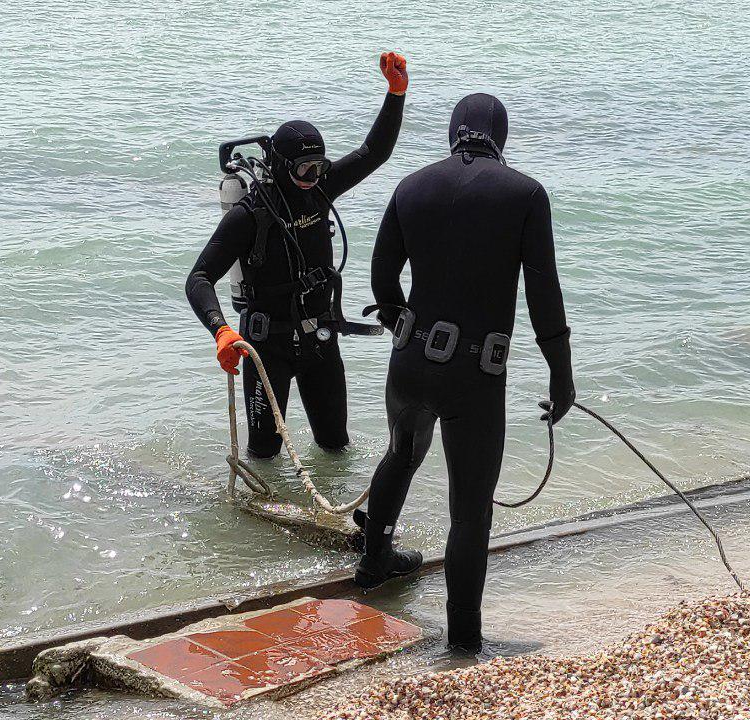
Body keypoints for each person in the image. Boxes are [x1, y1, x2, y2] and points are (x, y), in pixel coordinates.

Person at [356, 92, 575, 653]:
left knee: (401, 454)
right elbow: (543, 296)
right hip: (474, 375)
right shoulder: (524, 194)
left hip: (409, 362)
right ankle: (463, 642)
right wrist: (561, 375)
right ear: (501, 136)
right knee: (470, 510)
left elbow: (382, 276)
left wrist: (400, 317)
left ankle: (375, 562)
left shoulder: (411, 186)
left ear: (453, 131)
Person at [186, 53, 409, 456]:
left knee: (336, 448)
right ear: (281, 165)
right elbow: (198, 279)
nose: (315, 178)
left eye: (320, 167)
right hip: (266, 348)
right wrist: (221, 330)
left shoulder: (321, 190)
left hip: (320, 342)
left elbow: (374, 152)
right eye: (305, 169)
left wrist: (395, 93)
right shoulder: (248, 216)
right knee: (265, 456)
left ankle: (331, 514)